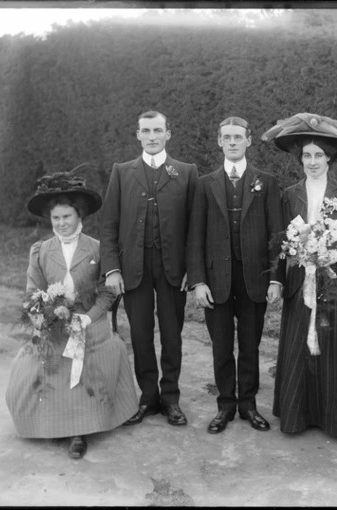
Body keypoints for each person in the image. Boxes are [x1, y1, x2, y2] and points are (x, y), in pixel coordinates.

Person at [261, 112, 337, 445]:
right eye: (306, 156)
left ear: (329, 158)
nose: (312, 161)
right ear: (299, 159)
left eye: (318, 155)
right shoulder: (289, 195)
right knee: (302, 346)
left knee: (335, 347)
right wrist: (277, 277)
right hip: (301, 279)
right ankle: (298, 413)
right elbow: (279, 241)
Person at [6, 168, 138, 459]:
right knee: (38, 357)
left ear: (79, 217)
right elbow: (33, 291)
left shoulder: (98, 248)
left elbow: (108, 291)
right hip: (56, 320)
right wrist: (45, 315)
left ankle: (79, 430)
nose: (62, 223)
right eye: (56, 218)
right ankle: (48, 421)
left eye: (67, 217)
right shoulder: (40, 251)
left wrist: (88, 317)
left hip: (90, 319)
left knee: (90, 350)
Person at [100, 111, 198, 426]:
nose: (152, 136)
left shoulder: (186, 172)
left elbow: (195, 229)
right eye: (146, 131)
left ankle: (170, 399)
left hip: (173, 270)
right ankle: (147, 398)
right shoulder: (122, 172)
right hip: (133, 268)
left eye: (158, 130)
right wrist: (112, 269)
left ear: (168, 133)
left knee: (172, 335)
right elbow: (109, 226)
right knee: (140, 335)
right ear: (138, 135)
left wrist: (192, 271)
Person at [187, 116, 284, 434]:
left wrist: (275, 278)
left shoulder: (266, 182)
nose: (232, 142)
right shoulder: (204, 184)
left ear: (248, 140)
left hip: (254, 277)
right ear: (218, 141)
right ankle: (226, 405)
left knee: (251, 345)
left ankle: (249, 405)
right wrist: (198, 281)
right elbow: (195, 237)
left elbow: (276, 234)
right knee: (221, 346)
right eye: (226, 137)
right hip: (216, 280)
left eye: (237, 137)